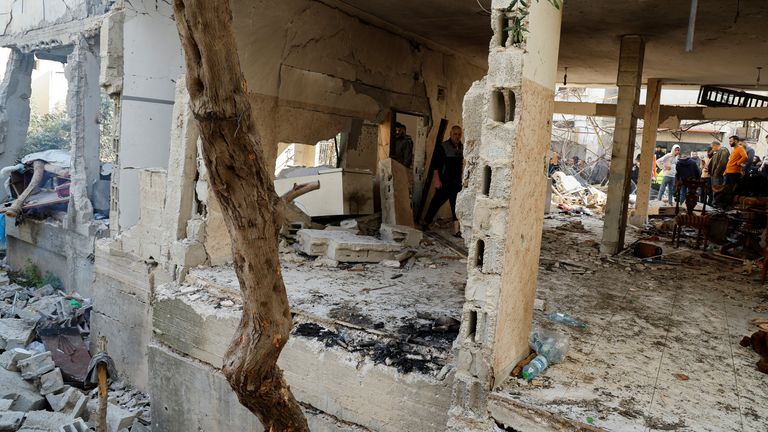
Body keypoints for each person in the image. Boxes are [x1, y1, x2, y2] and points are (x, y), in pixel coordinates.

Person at [422, 126, 464, 235]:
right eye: (455, 134)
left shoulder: (462, 147)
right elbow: (436, 166)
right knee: (436, 203)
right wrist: (437, 180)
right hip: (444, 182)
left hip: (456, 183)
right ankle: (425, 223)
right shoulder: (443, 147)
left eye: (459, 134)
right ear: (450, 134)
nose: (457, 136)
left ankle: (456, 230)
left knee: (456, 206)